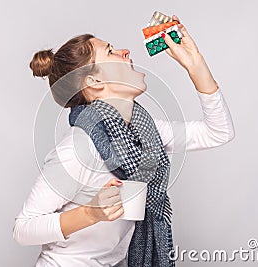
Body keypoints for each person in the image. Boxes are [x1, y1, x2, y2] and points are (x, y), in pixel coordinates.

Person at [13, 16, 235, 267]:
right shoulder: (79, 149)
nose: (125, 51)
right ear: (93, 81)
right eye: (111, 51)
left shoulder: (145, 134)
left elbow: (219, 132)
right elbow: (23, 228)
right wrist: (90, 213)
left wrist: (195, 64)